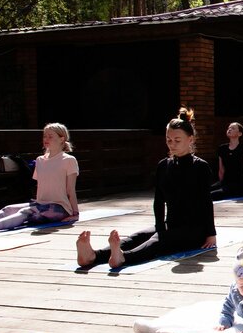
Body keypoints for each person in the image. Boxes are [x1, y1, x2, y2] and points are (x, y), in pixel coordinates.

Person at [75, 108, 216, 269]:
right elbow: (159, 201)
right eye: (169, 140)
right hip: (170, 224)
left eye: (177, 140)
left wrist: (211, 234)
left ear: (190, 140)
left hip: (194, 230)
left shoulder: (200, 167)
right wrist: (160, 226)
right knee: (138, 236)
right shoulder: (164, 166)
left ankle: (123, 258)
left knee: (157, 241)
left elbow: (206, 202)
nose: (172, 144)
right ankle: (93, 256)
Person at [0, 123, 80, 234]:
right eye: (45, 136)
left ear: (62, 139)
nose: (46, 139)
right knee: (8, 209)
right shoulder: (40, 160)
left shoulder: (69, 160)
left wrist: (75, 213)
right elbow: (41, 187)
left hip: (60, 208)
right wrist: (36, 203)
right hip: (41, 204)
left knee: (26, 212)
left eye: (50, 136)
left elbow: (70, 190)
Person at [211, 122, 243, 200]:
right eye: (229, 128)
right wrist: (222, 184)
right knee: (203, 190)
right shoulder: (222, 148)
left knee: (211, 195)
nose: (229, 129)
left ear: (239, 134)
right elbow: (221, 170)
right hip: (226, 182)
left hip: (240, 185)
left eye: (233, 128)